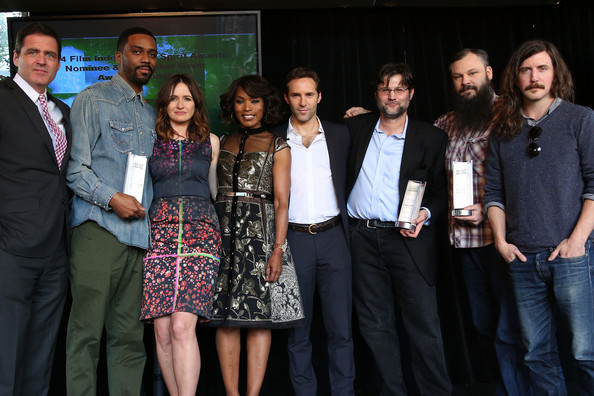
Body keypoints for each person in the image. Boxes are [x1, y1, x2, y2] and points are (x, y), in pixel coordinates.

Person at [484, 40, 594, 396]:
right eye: (526, 69)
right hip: (521, 259)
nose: (534, 77)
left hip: (573, 256)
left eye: (542, 68)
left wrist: (577, 241)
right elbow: (494, 194)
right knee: (536, 354)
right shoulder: (502, 131)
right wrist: (501, 242)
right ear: (515, 79)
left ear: (555, 74)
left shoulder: (581, 119)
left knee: (585, 351)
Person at [346, 63, 451, 395]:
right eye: (385, 89)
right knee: (375, 327)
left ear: (411, 94)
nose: (392, 95)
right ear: (376, 94)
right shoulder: (354, 128)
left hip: (408, 239)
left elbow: (440, 191)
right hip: (360, 238)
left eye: (399, 89)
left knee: (424, 326)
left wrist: (426, 212)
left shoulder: (432, 137)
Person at [65, 27, 158, 395]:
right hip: (98, 230)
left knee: (129, 339)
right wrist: (111, 198)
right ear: (118, 56)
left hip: (138, 240)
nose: (146, 59)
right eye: (137, 52)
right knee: (86, 333)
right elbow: (75, 169)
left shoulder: (153, 115)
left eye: (151, 53)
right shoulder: (92, 99)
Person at [434, 48, 531, 396]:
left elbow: (524, 175)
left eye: (472, 73)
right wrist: (367, 117)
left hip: (502, 238)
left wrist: (484, 206)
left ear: (489, 73)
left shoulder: (510, 114)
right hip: (464, 243)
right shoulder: (448, 122)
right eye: (459, 77)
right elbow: (407, 133)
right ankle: (506, 387)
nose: (466, 82)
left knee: (511, 327)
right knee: (484, 325)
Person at [210, 74, 304, 396]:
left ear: (266, 104)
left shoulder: (279, 146)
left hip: (259, 239)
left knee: (258, 318)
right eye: (240, 101)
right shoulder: (223, 142)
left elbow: (281, 202)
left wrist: (277, 248)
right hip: (223, 238)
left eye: (254, 100)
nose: (247, 107)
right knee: (224, 317)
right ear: (232, 106)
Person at [271, 67, 355, 396]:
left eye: (309, 95)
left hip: (335, 237)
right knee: (297, 331)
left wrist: (361, 113)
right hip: (293, 241)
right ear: (286, 98)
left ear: (319, 97)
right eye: (296, 95)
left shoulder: (340, 134)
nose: (303, 102)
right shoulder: (275, 138)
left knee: (340, 329)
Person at [0, 22, 71, 396]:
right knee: (6, 352)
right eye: (33, 52)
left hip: (56, 251)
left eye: (50, 55)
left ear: (58, 63)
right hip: (11, 250)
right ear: (15, 57)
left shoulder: (62, 112)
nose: (42, 61)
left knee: (41, 355)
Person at [140, 73, 221, 396]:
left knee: (181, 325)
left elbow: (213, 190)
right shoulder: (150, 140)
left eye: (187, 98)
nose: (180, 104)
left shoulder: (210, 142)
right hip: (158, 234)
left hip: (200, 236)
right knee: (161, 330)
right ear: (164, 104)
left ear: (196, 103)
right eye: (173, 97)